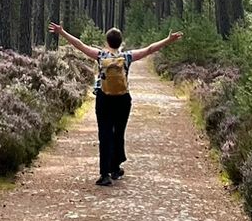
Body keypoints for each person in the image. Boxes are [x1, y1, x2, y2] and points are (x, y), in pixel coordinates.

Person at [49, 23, 183, 186]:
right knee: (118, 133)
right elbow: (149, 49)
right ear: (120, 43)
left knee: (104, 135)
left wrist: (62, 32)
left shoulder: (101, 56)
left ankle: (104, 174)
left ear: (107, 42)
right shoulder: (127, 57)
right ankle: (116, 167)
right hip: (123, 100)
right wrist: (168, 40)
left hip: (104, 99)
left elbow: (80, 45)